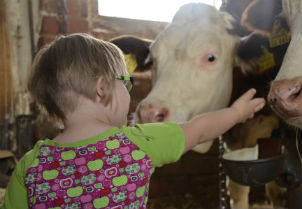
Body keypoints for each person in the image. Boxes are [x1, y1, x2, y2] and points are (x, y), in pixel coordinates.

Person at [0, 33, 265, 209]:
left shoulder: (31, 165)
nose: (129, 92)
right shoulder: (137, 143)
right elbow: (198, 130)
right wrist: (237, 113)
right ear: (102, 88)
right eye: (126, 83)